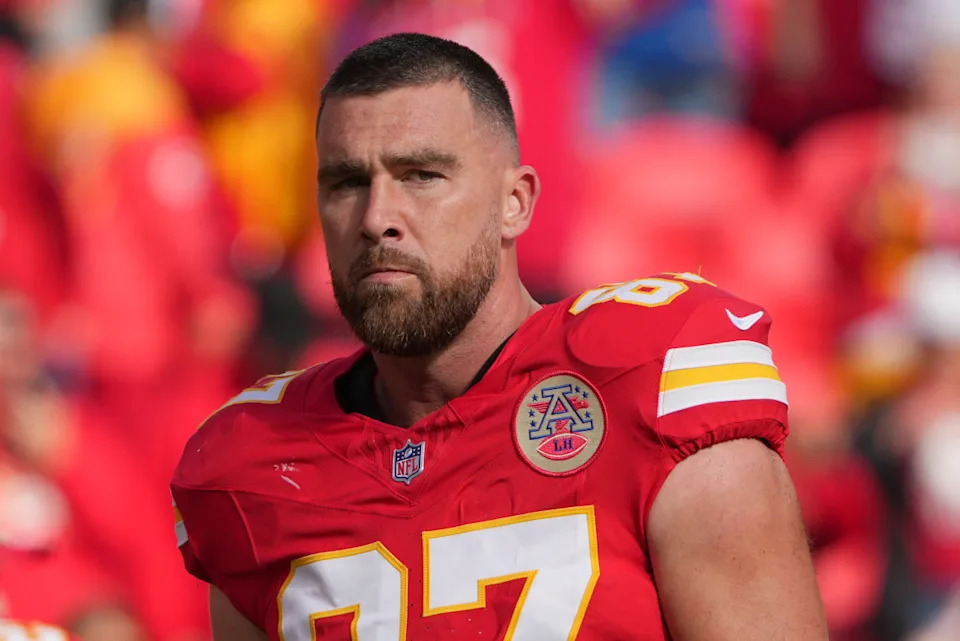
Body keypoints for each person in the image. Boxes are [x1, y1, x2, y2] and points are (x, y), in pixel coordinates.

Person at [171, 32, 828, 640]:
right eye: (347, 183)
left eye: (421, 176)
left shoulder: (653, 384)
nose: (376, 218)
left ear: (515, 203)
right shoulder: (254, 464)